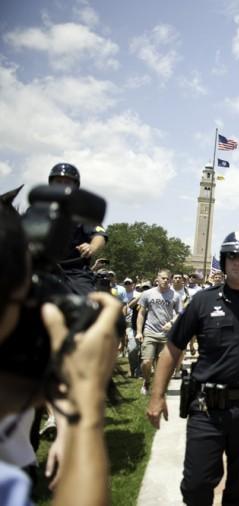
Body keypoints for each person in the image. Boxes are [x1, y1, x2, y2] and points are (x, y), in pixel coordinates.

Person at [146, 230, 239, 506]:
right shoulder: (203, 301)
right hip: (207, 409)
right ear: (223, 260)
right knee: (196, 486)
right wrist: (157, 395)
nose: (237, 262)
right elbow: (173, 348)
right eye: (231, 256)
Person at [0, 202, 120, 506]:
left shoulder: (82, 216)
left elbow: (99, 237)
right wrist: (84, 405)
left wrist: (89, 248)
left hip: (75, 268)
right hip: (49, 266)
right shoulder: (37, 215)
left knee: (83, 301)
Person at [47, 163, 108, 296]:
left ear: (75, 186)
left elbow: (99, 234)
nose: (62, 185)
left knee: (90, 306)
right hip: (42, 269)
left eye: (67, 182)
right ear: (51, 184)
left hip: (74, 273)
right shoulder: (38, 209)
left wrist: (91, 247)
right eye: (58, 181)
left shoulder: (83, 213)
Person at [136, 269, 181, 395]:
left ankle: (159, 385)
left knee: (162, 364)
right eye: (163, 278)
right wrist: (139, 332)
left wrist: (171, 323)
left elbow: (180, 313)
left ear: (170, 280)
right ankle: (146, 381)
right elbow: (141, 313)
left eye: (168, 278)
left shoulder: (175, 296)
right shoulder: (147, 294)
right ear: (157, 279)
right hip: (149, 331)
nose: (165, 280)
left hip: (166, 335)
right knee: (146, 362)